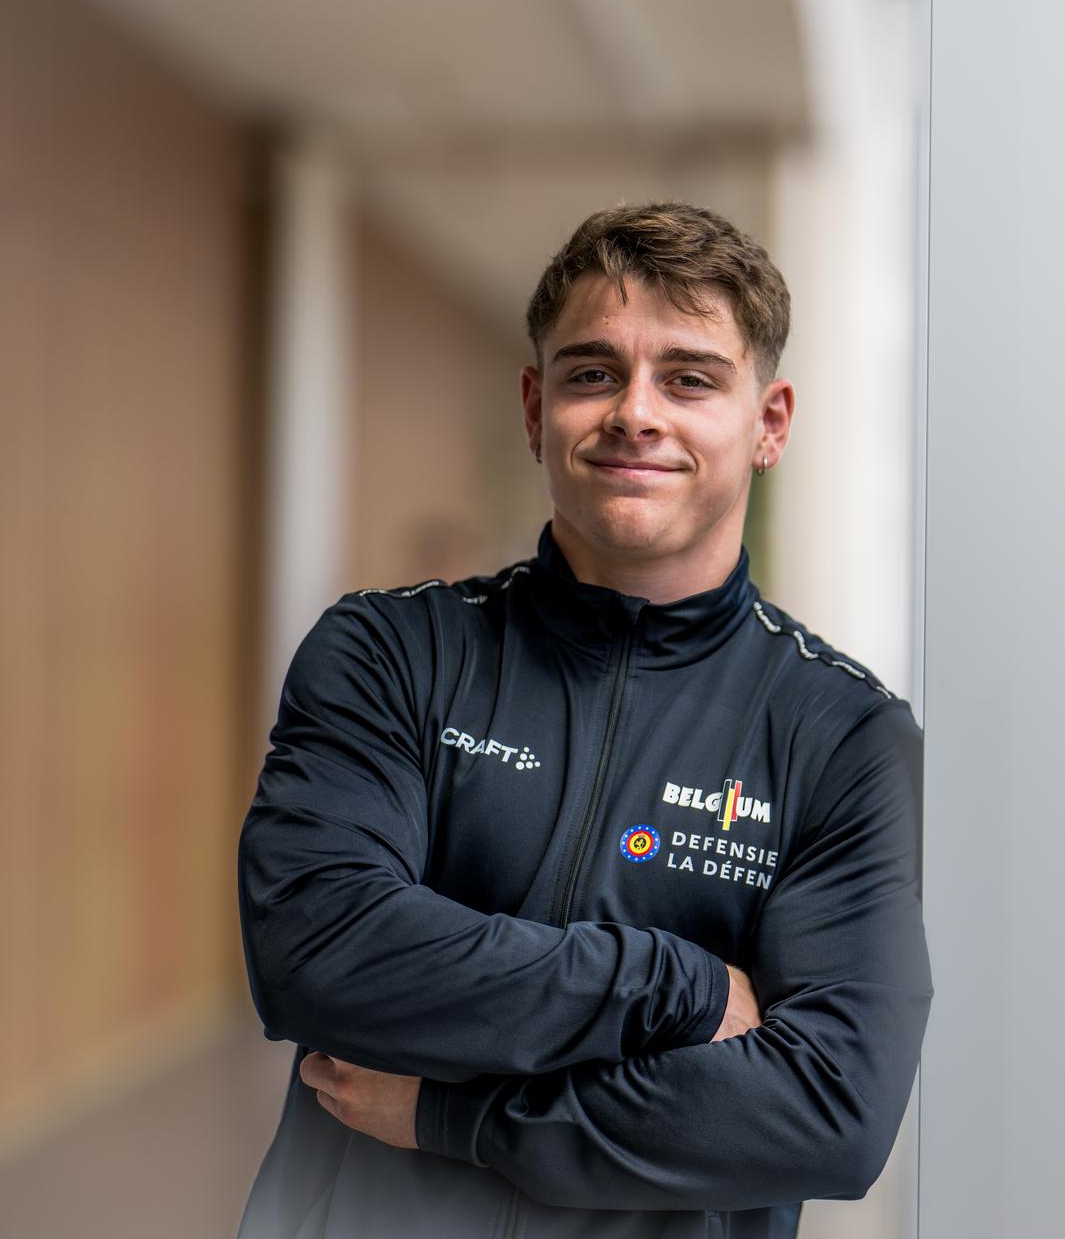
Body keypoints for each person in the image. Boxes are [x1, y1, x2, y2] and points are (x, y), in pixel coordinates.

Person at [234, 202, 931, 1238]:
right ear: (535, 405)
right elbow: (321, 950)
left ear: (770, 421)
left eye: (689, 378)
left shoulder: (842, 735)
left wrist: (454, 1115)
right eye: (593, 372)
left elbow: (829, 1109)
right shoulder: (393, 653)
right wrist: (675, 984)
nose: (635, 412)